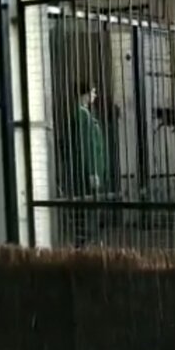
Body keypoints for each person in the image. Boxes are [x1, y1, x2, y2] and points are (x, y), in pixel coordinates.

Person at [66, 81, 108, 247]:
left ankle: (87, 243)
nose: (95, 96)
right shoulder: (81, 115)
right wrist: (92, 171)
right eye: (92, 92)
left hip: (91, 171)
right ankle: (84, 244)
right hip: (87, 173)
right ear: (84, 94)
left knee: (91, 211)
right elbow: (86, 146)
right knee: (88, 211)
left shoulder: (86, 114)